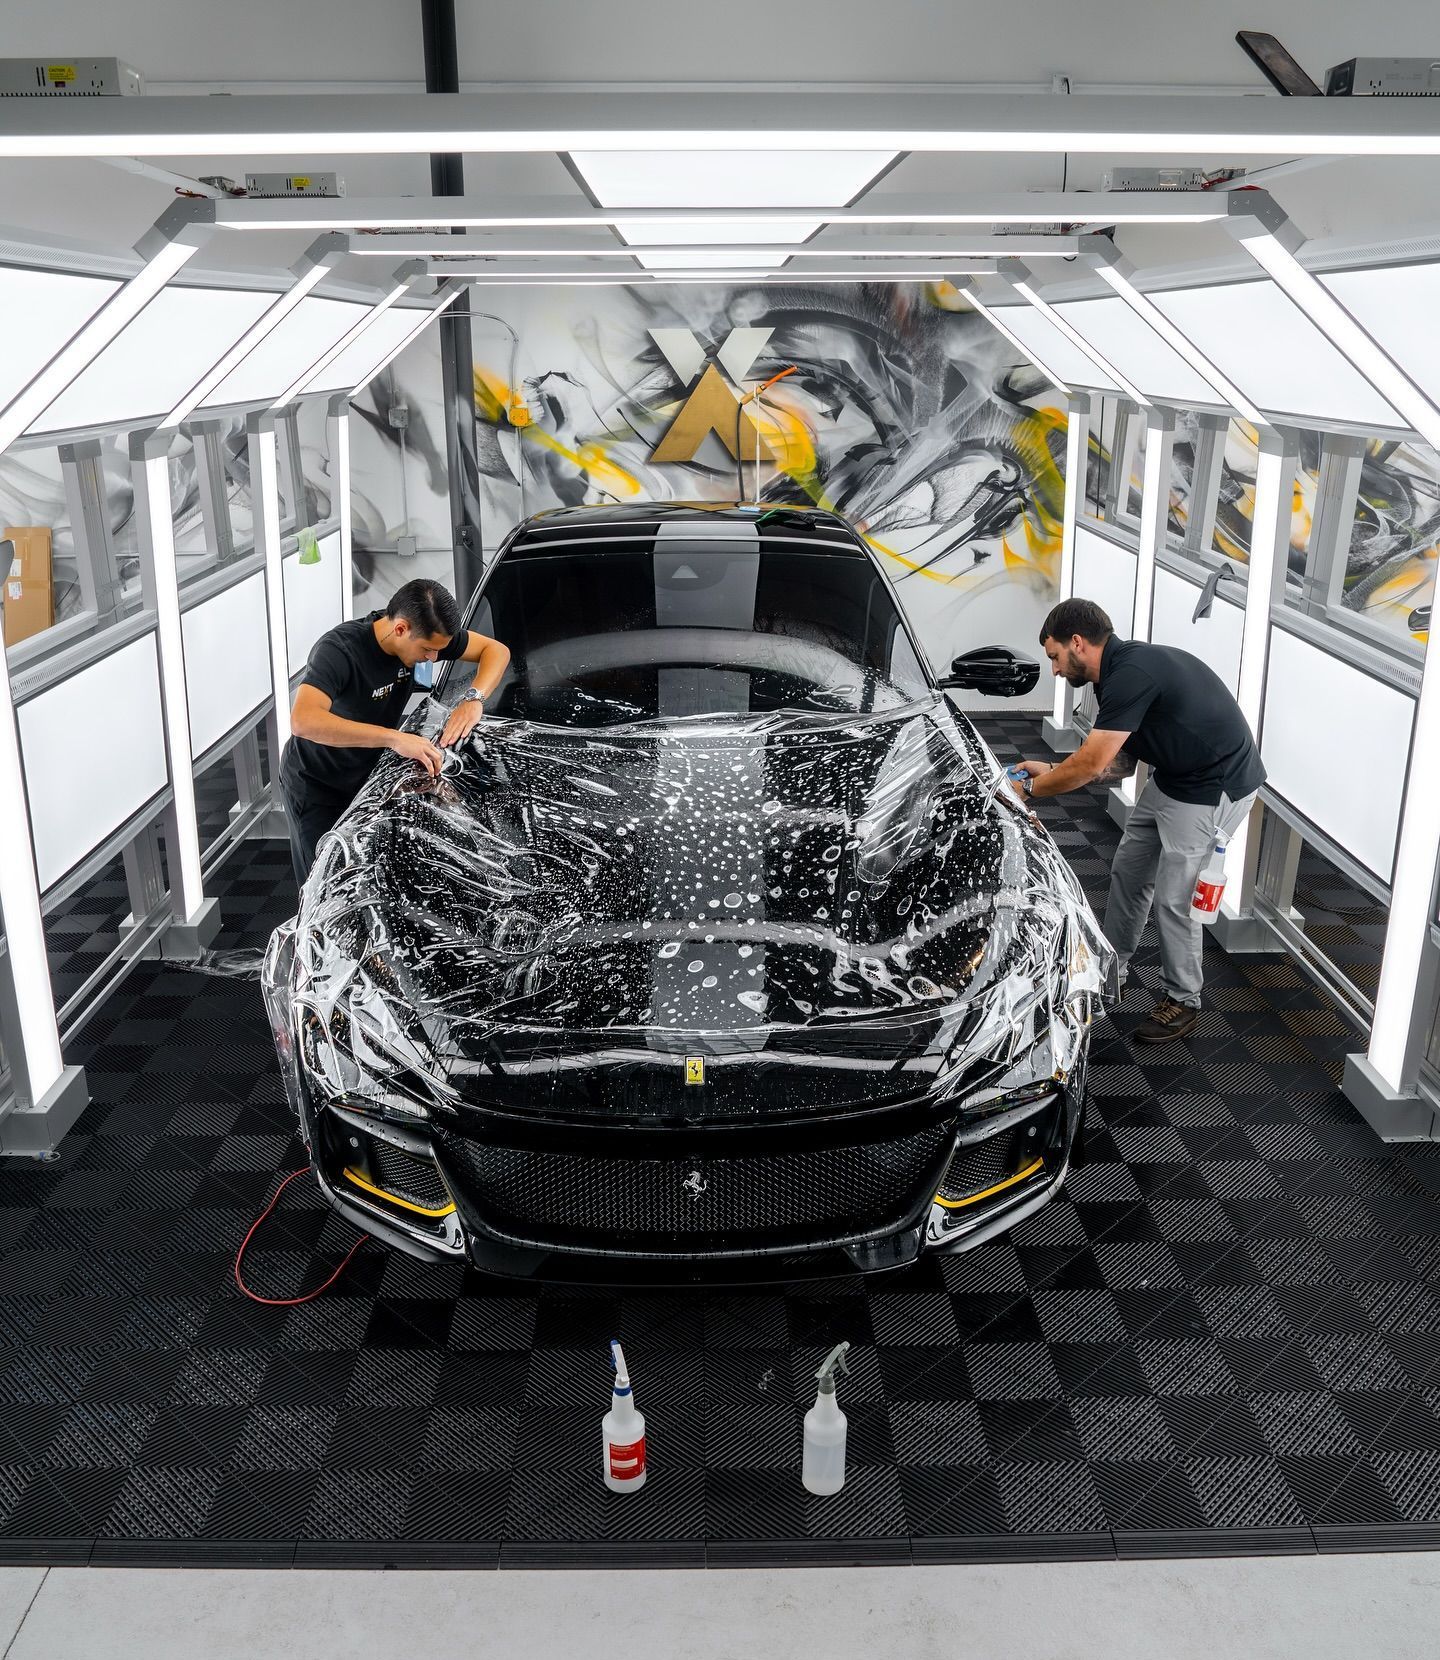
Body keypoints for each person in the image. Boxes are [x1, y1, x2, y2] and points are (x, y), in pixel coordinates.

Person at [1010, 597, 1265, 1044]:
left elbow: (1091, 766)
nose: (1052, 670)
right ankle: (1114, 969)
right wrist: (1049, 772)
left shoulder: (1131, 674)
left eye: (1053, 657)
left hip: (1214, 786)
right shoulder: (1112, 677)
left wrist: (1032, 790)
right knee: (1129, 871)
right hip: (1173, 777)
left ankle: (1184, 999)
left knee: (1176, 897)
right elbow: (1119, 763)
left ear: (1077, 643)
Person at [279, 578, 510, 887]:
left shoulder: (424, 634)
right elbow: (303, 721)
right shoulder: (340, 650)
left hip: (363, 775)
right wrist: (395, 738)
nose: (432, 659)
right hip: (317, 782)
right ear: (400, 629)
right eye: (427, 650)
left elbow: (496, 651)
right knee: (324, 882)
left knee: (365, 875)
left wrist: (474, 699)